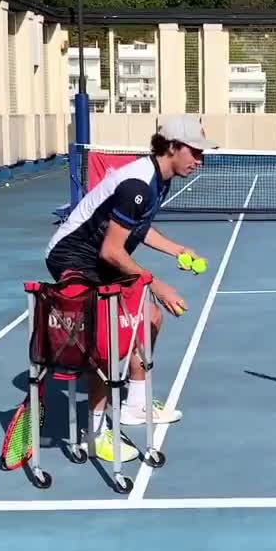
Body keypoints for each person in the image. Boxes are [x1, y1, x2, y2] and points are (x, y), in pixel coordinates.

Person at [45, 114, 216, 464]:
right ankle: (94, 433)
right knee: (106, 342)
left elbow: (137, 229)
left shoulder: (159, 180)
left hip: (101, 257)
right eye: (195, 152)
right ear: (173, 147)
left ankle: (135, 405)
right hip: (74, 257)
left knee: (149, 318)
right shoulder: (137, 184)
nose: (200, 160)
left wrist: (178, 249)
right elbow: (112, 250)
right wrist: (157, 285)